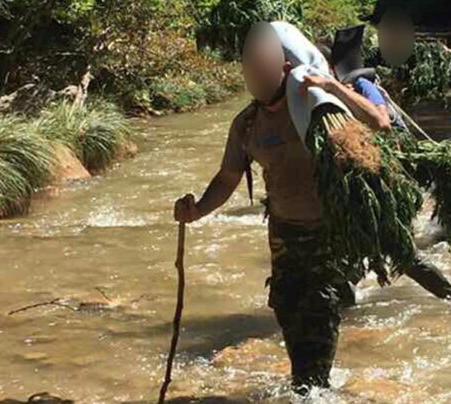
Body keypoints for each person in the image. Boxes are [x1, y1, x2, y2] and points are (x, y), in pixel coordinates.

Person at [174, 22, 350, 393]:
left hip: (327, 231)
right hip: (283, 236)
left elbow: (375, 129)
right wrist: (197, 210)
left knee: (319, 317)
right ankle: (307, 388)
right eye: (250, 73)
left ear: (284, 68)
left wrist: (335, 88)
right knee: (287, 311)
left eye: (262, 71)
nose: (256, 81)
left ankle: (313, 390)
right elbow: (227, 178)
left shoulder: (315, 106)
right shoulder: (246, 125)